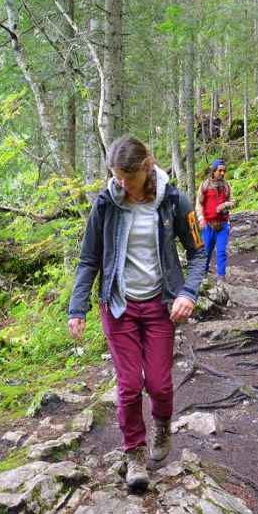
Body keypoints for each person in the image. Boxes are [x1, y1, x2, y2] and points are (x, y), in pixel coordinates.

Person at [67, 135, 206, 492]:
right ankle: (134, 455)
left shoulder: (174, 200)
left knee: (159, 384)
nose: (120, 185)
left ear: (146, 169)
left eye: (127, 179)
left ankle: (161, 424)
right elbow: (88, 259)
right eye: (115, 177)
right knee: (129, 387)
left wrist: (188, 292)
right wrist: (77, 307)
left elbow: (198, 253)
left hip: (161, 305)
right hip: (118, 306)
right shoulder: (106, 202)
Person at [195, 158, 235, 281]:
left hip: (223, 225)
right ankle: (203, 276)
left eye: (224, 171)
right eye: (220, 170)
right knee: (206, 252)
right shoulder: (205, 185)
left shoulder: (226, 185)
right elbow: (199, 204)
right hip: (208, 225)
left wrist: (226, 205)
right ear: (213, 170)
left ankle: (221, 277)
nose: (222, 173)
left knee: (221, 252)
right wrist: (201, 218)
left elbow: (233, 201)